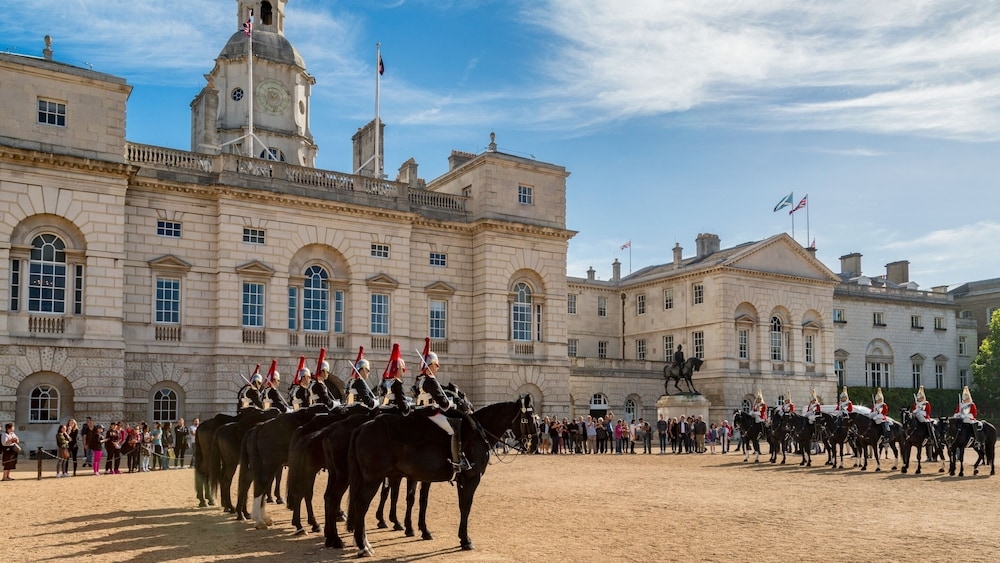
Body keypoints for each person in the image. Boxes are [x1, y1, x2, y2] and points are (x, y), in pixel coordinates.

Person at [413, 342, 472, 471]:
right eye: (436, 365)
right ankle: (457, 461)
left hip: (419, 412)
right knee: (454, 429)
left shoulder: (420, 380)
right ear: (431, 365)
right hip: (430, 413)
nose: (437, 368)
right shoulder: (430, 380)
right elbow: (443, 403)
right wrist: (452, 402)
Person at [379, 343, 409, 412]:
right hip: (393, 410)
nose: (402, 372)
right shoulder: (397, 383)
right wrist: (407, 408)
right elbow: (402, 403)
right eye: (402, 369)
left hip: (383, 409)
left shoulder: (384, 381)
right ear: (398, 369)